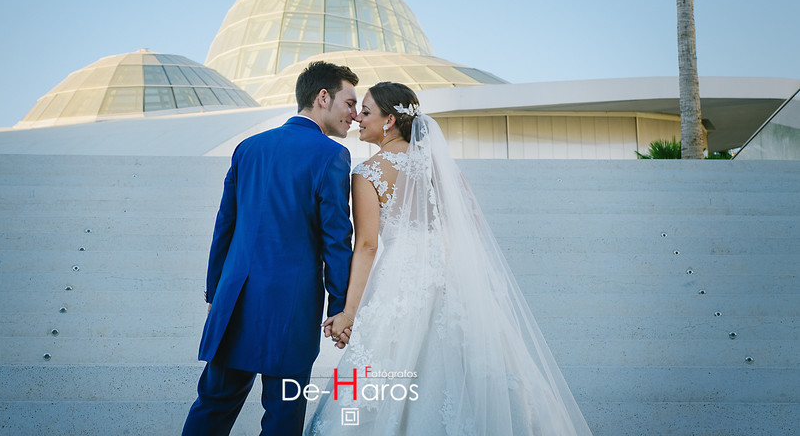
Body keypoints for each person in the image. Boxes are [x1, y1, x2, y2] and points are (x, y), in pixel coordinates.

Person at [306, 82, 593, 435]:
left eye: (366, 112)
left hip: (401, 277)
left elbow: (367, 246)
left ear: (390, 120)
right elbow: (468, 223)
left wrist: (348, 311)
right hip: (452, 273)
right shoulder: (439, 165)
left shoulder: (367, 174)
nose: (358, 118)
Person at [182, 61, 359, 436]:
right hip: (290, 308)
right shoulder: (331, 155)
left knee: (213, 404)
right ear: (323, 97)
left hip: (235, 299)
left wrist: (216, 291)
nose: (355, 115)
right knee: (283, 416)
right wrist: (340, 305)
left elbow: (224, 226)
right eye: (349, 102)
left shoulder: (248, 148)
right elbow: (336, 240)